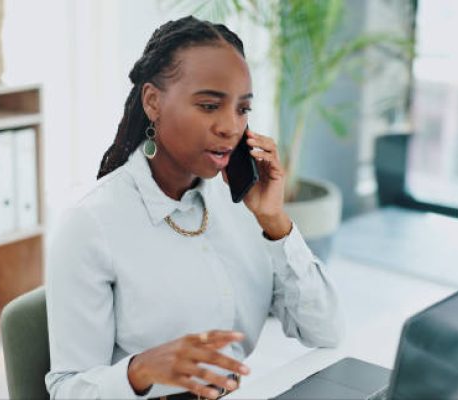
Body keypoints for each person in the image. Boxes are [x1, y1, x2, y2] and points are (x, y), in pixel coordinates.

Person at [45, 15, 342, 400]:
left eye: (242, 109)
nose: (230, 127)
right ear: (153, 102)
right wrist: (141, 371)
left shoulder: (239, 201)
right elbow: (67, 391)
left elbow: (325, 331)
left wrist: (275, 222)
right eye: (208, 106)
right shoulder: (91, 225)